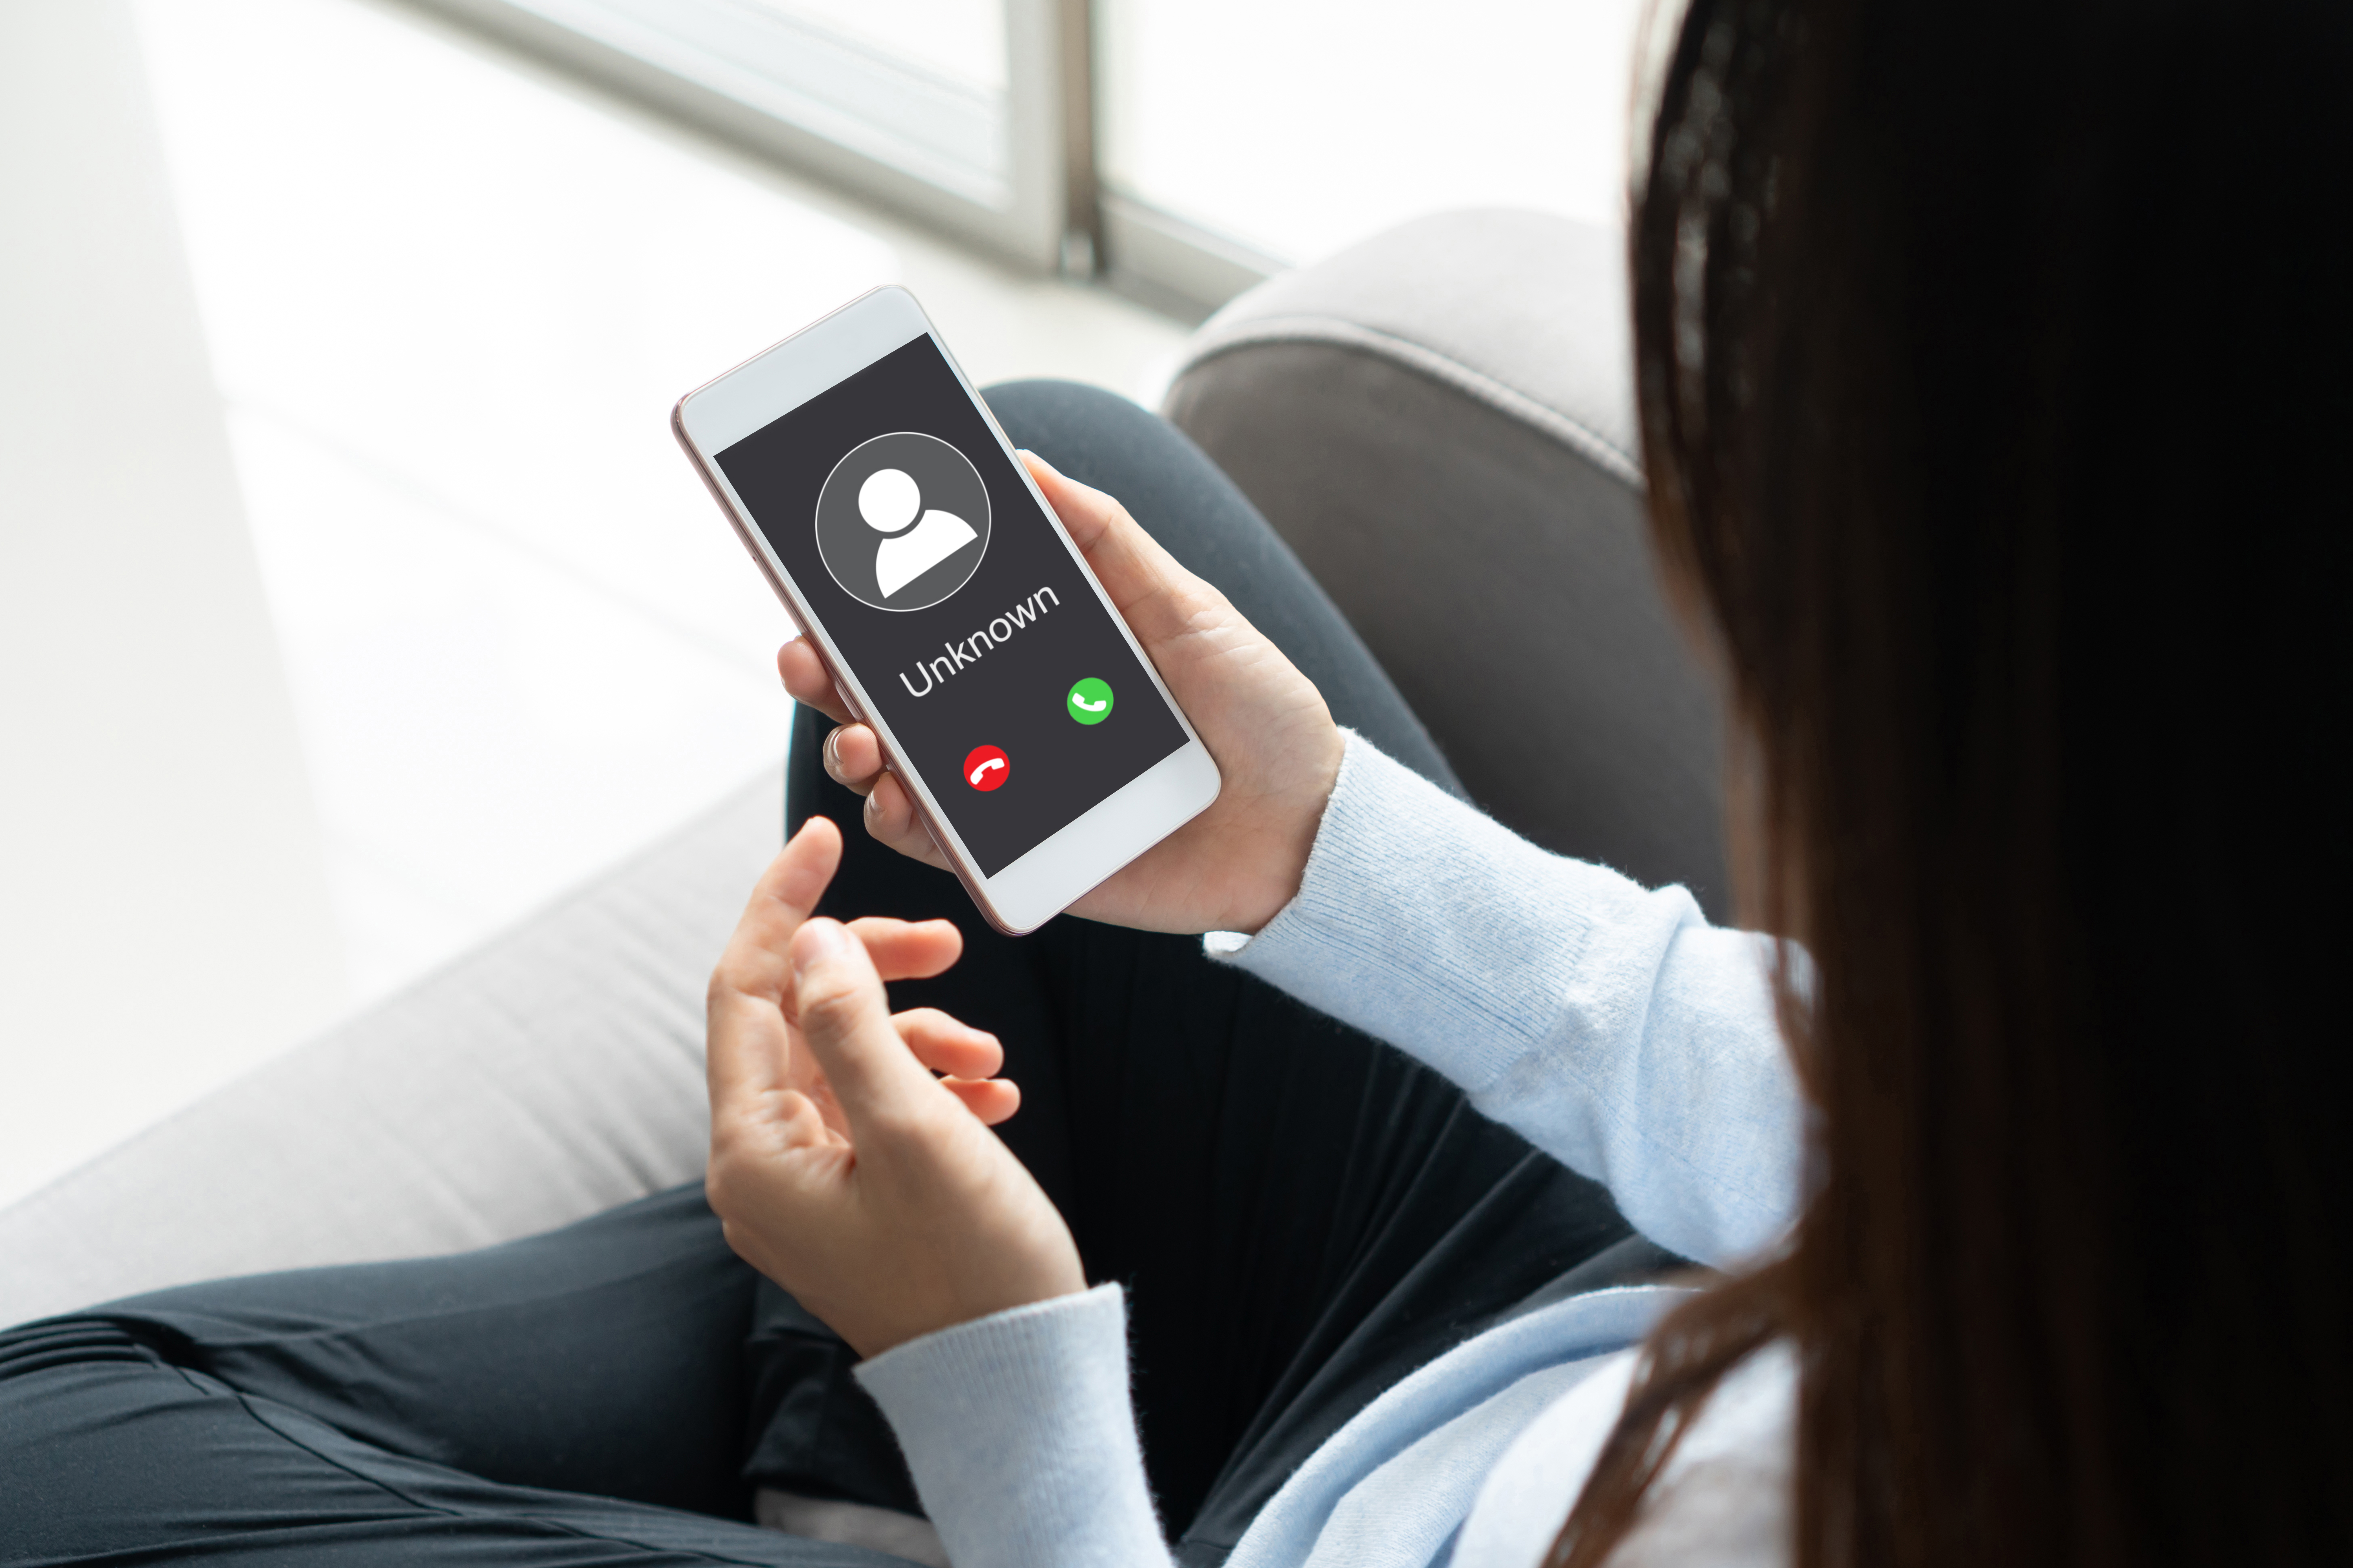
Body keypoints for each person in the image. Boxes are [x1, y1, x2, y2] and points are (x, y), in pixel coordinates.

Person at [2, 2, 2343, 1566]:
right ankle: (852, 1392)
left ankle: (869, 1409)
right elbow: (1914, 1116)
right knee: (1039, 487)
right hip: (1533, 1365)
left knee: (62, 1436)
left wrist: (1002, 1389)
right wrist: (1319, 844)